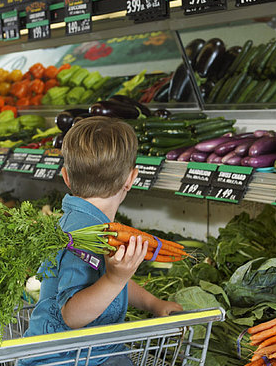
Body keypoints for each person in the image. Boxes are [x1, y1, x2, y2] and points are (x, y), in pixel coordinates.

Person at [23, 116, 183, 366]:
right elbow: (72, 315)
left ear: (65, 176)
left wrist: (153, 303)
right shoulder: (79, 235)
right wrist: (114, 278)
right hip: (63, 360)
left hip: (94, 353)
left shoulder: (98, 229)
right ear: (131, 179)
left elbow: (106, 284)